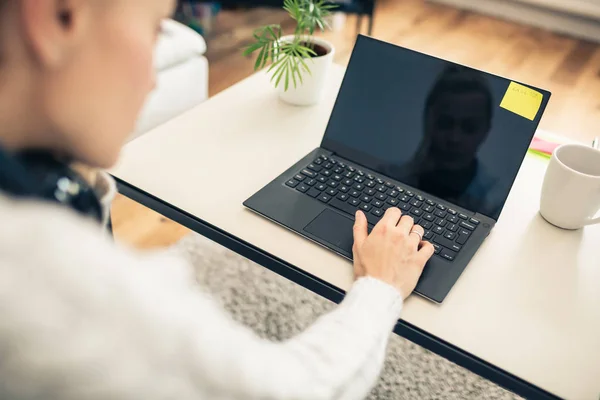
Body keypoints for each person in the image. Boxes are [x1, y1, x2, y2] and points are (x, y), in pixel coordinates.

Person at [0, 1, 434, 399]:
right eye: (155, 30)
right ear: (58, 17)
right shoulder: (48, 276)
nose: (153, 78)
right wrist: (381, 287)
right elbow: (302, 389)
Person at [390, 66, 503, 217]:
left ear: (486, 130)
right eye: (444, 123)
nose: (454, 138)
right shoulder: (388, 175)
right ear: (428, 120)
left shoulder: (494, 200)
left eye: (469, 127)